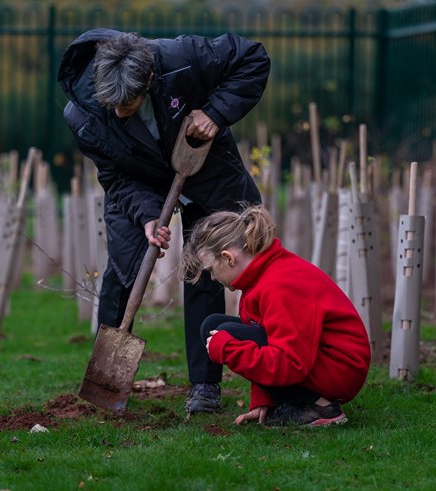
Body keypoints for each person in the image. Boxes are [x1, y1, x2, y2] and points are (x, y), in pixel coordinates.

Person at [58, 30, 269, 413]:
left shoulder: (182, 57)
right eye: (113, 106)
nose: (120, 112)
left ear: (150, 80)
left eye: (129, 103)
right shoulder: (84, 116)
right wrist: (147, 215)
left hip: (204, 169)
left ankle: (205, 387)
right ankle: (107, 384)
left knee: (206, 268)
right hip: (136, 181)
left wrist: (216, 113)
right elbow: (115, 179)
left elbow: (252, 58)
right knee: (123, 272)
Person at [183, 205, 370, 427]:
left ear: (228, 258)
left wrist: (228, 349)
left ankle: (322, 408)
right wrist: (264, 401)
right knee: (214, 326)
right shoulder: (260, 277)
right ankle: (295, 403)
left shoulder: (279, 285)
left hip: (339, 368)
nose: (213, 277)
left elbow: (291, 363)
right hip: (318, 357)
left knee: (224, 335)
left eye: (212, 269)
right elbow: (265, 335)